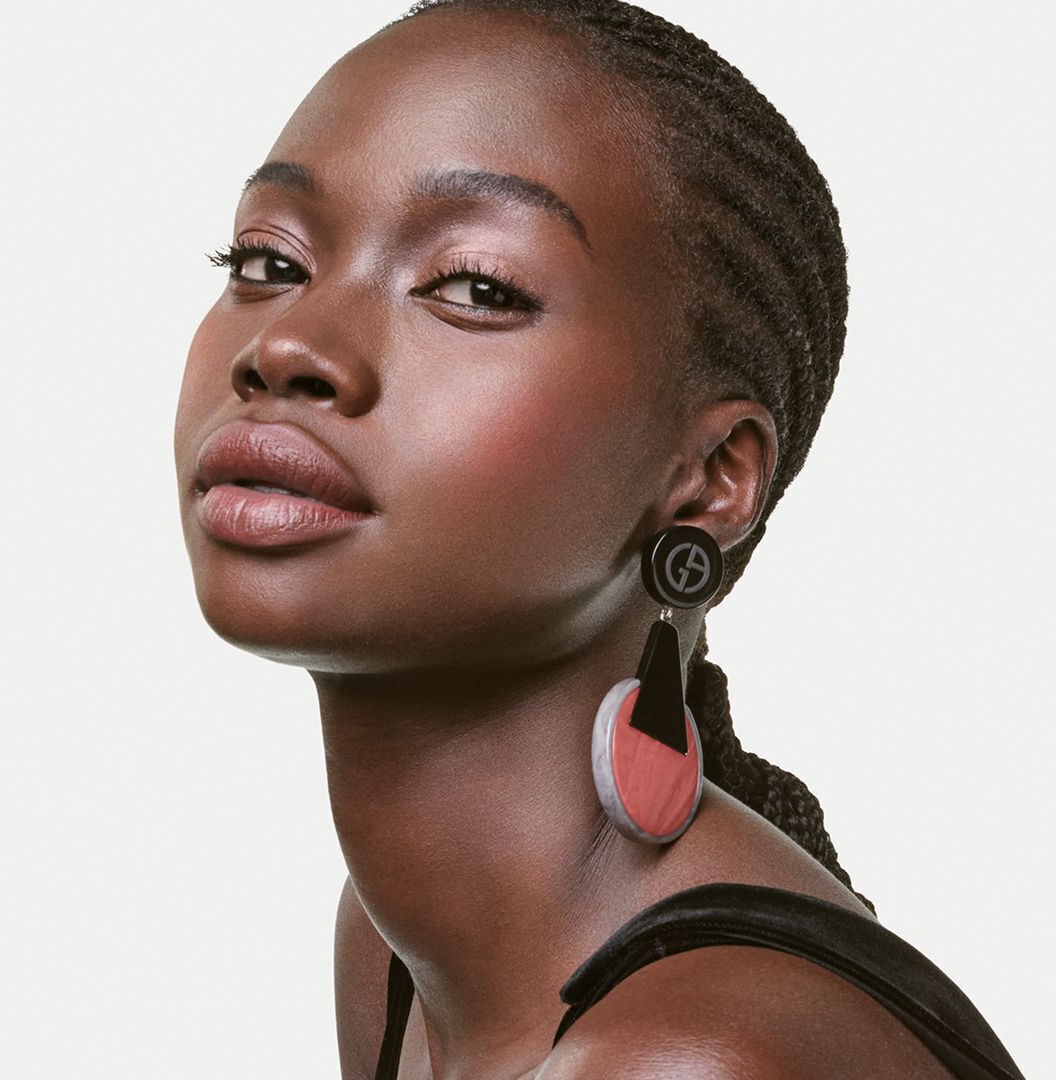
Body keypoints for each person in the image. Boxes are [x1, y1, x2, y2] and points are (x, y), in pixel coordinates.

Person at [173, 1, 1025, 1076]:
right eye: (267, 259)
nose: (288, 344)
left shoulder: (688, 1059)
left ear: (710, 479)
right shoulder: (393, 952)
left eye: (475, 286)